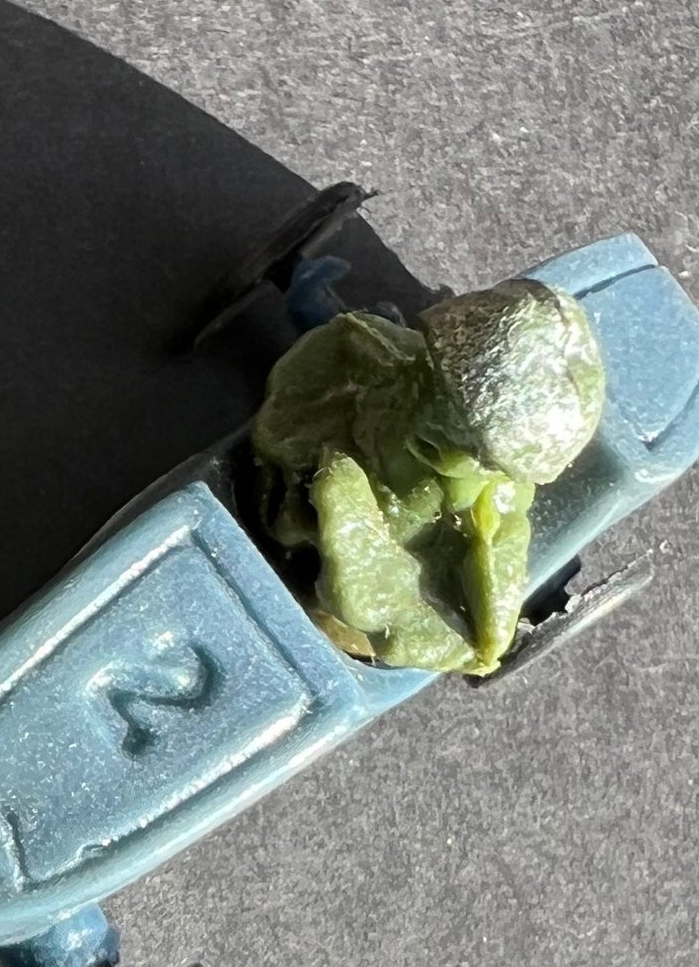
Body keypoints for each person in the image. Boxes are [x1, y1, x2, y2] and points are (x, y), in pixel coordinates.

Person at [250, 278, 605, 678]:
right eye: (433, 387)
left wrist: (359, 541)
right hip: (277, 503)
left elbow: (476, 634)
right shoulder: (367, 353)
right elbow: (288, 414)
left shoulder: (488, 508)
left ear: (494, 467)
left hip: (322, 605)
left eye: (469, 448)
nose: (429, 427)